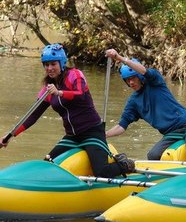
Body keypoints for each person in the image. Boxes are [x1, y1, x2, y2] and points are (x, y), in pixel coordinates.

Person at [0, 43, 134, 178]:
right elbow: (33, 115)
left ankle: (125, 164)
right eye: (46, 65)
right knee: (47, 163)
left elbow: (80, 95)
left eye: (53, 64)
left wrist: (59, 93)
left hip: (92, 132)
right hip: (72, 137)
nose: (49, 68)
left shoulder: (75, 75)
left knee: (101, 172)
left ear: (62, 63)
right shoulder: (47, 88)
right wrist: (9, 136)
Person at [104, 49, 186, 161]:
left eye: (133, 78)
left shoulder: (155, 81)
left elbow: (144, 71)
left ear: (139, 76)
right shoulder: (133, 102)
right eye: (128, 80)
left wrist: (119, 58)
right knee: (152, 156)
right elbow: (121, 126)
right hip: (171, 134)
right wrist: (105, 134)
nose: (131, 82)